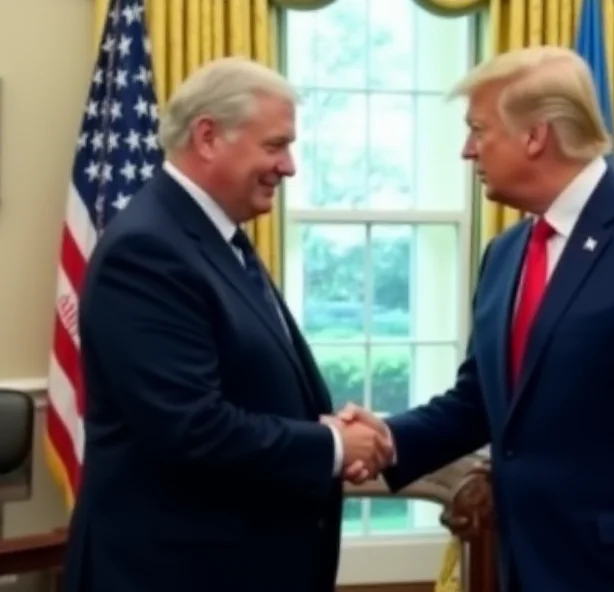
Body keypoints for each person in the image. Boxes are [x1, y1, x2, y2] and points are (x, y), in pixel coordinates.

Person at [336, 47, 614, 592]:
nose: (468, 150)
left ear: (534, 136)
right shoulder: (505, 254)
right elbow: (480, 403)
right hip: (530, 566)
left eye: (477, 129)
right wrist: (390, 439)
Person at [63, 57, 391, 592]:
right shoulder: (148, 249)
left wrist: (327, 427)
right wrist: (330, 446)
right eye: (275, 145)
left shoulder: (211, 235)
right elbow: (191, 428)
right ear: (209, 137)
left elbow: (249, 386)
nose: (289, 166)